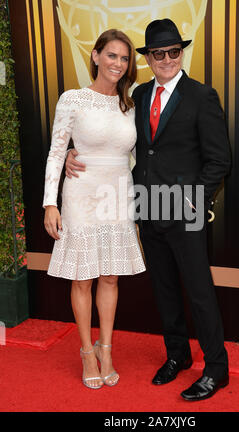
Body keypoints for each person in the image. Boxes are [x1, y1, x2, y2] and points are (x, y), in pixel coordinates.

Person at [66, 19, 231, 401]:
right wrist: (77, 151)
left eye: (174, 52)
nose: (167, 59)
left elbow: (219, 161)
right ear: (149, 58)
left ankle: (216, 369)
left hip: (185, 209)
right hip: (147, 207)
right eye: (159, 53)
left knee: (199, 291)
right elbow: (110, 136)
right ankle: (177, 356)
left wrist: (195, 200)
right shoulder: (138, 95)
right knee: (165, 289)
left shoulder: (201, 96)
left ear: (181, 53)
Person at [43, 29, 145, 390]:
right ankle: (87, 351)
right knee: (83, 277)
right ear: (96, 56)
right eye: (112, 55)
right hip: (82, 195)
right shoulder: (73, 99)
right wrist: (50, 203)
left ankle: (107, 349)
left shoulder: (129, 104)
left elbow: (132, 154)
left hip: (118, 195)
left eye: (124, 58)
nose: (118, 63)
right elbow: (57, 151)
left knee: (111, 276)